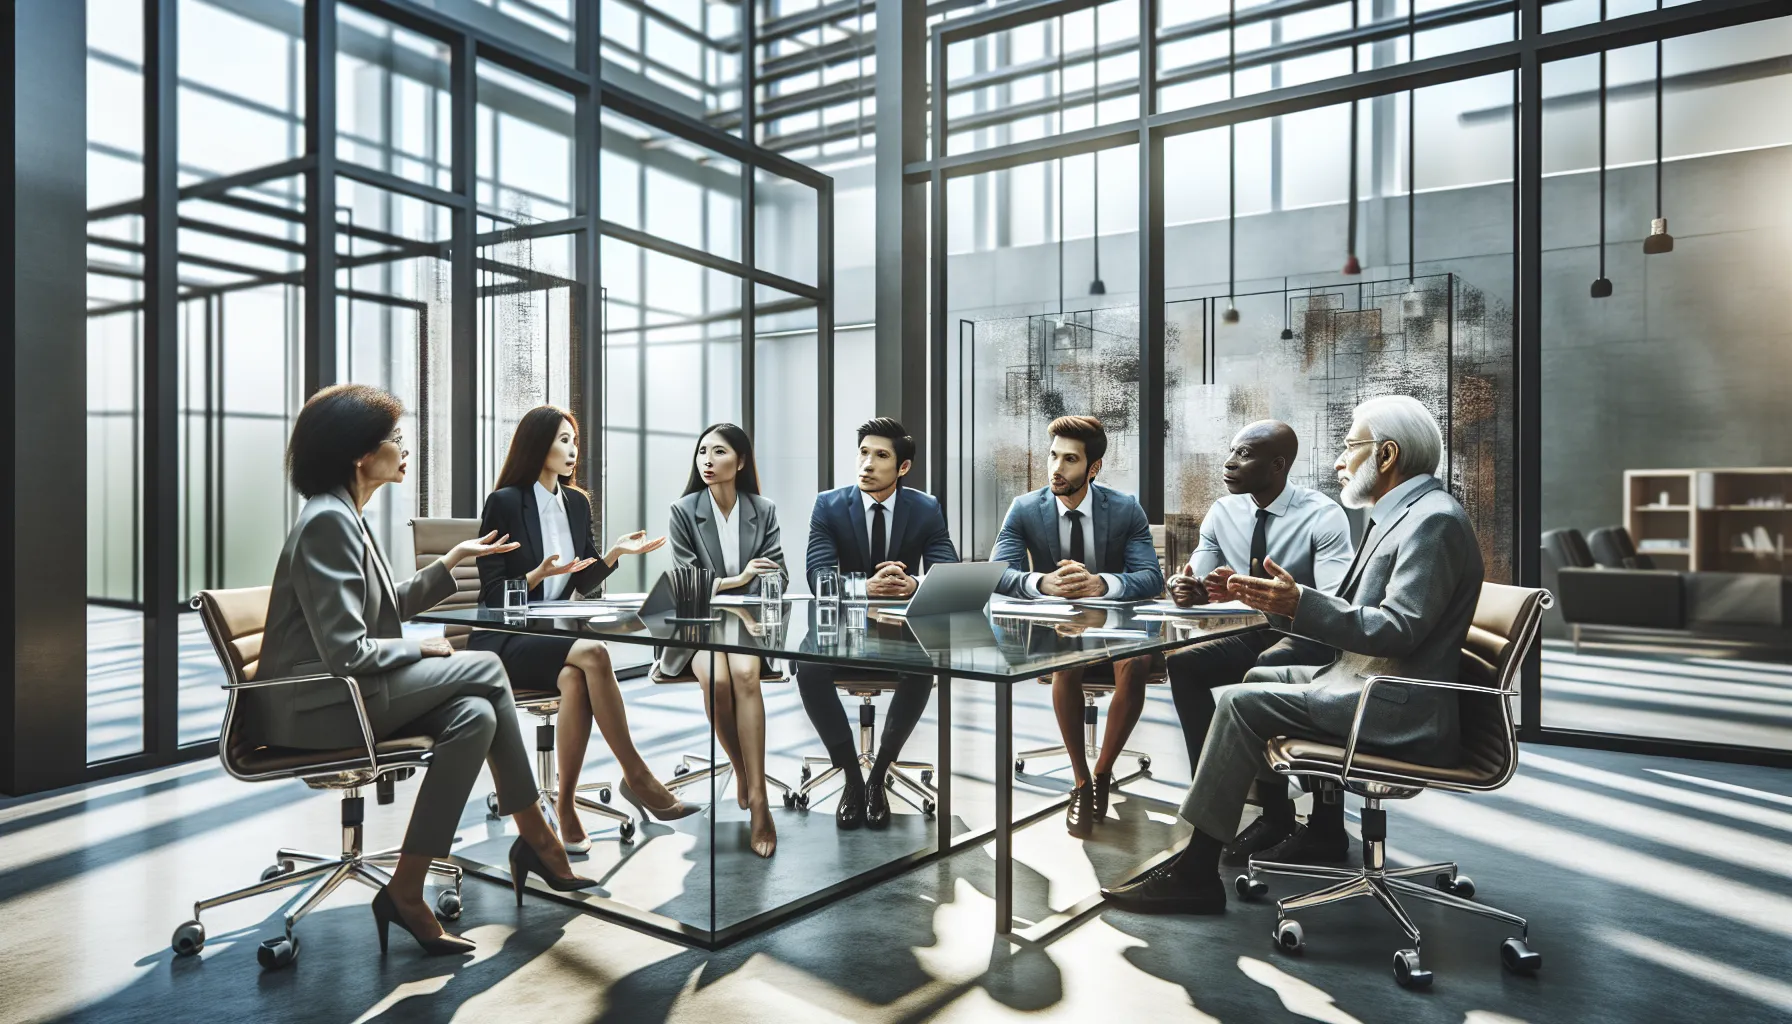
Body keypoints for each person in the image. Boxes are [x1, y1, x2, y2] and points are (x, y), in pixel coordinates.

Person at [1104, 395, 1483, 915]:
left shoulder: (1431, 523)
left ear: (1388, 455)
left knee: (1239, 702)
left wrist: (1297, 602)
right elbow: (1356, 610)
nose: (1338, 461)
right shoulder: (1404, 515)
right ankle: (1282, 819)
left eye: (1350, 447)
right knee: (1260, 670)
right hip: (1369, 680)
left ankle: (1197, 870)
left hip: (1391, 702)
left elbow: (1399, 628)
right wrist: (1281, 607)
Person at [253, 384, 594, 957]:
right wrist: (423, 651)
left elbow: (385, 609)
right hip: (318, 707)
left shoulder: (344, 516)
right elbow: (347, 654)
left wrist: (451, 561)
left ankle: (406, 889)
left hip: (344, 698)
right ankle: (538, 838)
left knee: (474, 715)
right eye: (395, 438)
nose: (404, 447)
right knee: (484, 666)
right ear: (361, 454)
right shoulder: (328, 523)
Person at [470, 405, 689, 852]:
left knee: (575, 676)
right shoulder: (505, 502)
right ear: (537, 446)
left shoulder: (576, 502)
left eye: (574, 441)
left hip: (551, 638)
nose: (572, 450)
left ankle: (565, 805)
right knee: (594, 654)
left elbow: (583, 582)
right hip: (505, 638)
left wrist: (614, 553)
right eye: (562, 440)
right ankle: (639, 776)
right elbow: (493, 595)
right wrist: (536, 577)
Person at [1162, 420, 1354, 864]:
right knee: (1185, 665)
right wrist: (1186, 588)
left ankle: (1302, 820)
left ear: (1277, 465)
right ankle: (1213, 789)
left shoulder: (1322, 515)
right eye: (1230, 451)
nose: (1229, 462)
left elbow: (1336, 604)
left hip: (1314, 637)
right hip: (1263, 630)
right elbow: (1199, 579)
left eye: (1244, 454)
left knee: (1263, 669)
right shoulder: (1223, 511)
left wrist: (1269, 595)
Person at [989, 415, 1164, 838]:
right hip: (1058, 628)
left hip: (1116, 625)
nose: (1057, 469)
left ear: (1093, 468)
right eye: (1053, 457)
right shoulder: (1026, 508)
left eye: (1070, 460)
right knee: (1067, 660)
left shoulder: (1124, 508)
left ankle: (1102, 773)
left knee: (1136, 661)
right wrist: (1040, 582)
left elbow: (1151, 577)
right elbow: (996, 573)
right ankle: (1081, 781)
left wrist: (1101, 583)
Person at [800, 417, 959, 830]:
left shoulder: (925, 508)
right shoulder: (829, 505)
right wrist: (864, 585)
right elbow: (817, 576)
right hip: (842, 629)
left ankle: (880, 771)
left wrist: (913, 583)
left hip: (899, 630)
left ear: (902, 468)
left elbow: (948, 571)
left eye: (881, 456)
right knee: (808, 665)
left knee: (925, 664)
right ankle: (853, 776)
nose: (867, 464)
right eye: (863, 453)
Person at [663, 423, 788, 858]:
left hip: (748, 622)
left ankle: (759, 801)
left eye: (718, 452)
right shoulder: (684, 510)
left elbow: (781, 575)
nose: (707, 461)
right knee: (717, 682)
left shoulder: (763, 509)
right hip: (698, 623)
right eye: (702, 452)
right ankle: (744, 772)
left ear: (740, 460)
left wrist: (748, 595)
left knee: (745, 676)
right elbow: (686, 584)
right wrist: (740, 579)